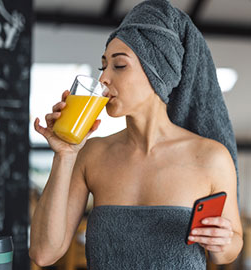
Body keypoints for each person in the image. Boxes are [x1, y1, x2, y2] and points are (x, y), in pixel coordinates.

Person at [29, 0, 243, 269]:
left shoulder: (211, 157)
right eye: (103, 66)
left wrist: (224, 243)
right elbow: (43, 253)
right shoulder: (91, 154)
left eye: (119, 66)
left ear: (158, 74)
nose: (103, 78)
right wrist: (64, 155)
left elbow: (231, 248)